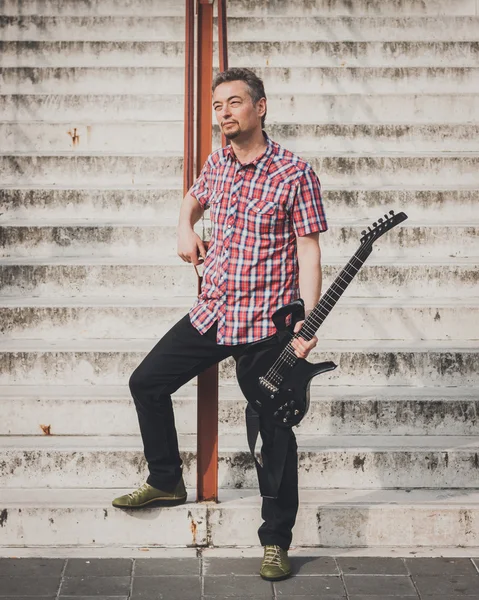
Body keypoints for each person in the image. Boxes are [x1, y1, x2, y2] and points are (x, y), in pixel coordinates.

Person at [112, 67, 327, 581]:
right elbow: (193, 197)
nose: (224, 113)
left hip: (267, 324)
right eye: (217, 106)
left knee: (273, 431)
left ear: (261, 106)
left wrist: (307, 323)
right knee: (146, 382)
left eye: (234, 102)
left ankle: (275, 541)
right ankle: (166, 477)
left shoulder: (295, 172)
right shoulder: (219, 163)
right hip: (214, 311)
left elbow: (309, 249)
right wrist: (184, 227)